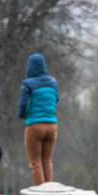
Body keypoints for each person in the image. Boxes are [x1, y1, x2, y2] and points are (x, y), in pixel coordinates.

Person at [18, 53, 59, 186]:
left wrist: (23, 115)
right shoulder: (53, 83)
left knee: (35, 163)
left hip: (35, 125)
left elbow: (23, 105)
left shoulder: (28, 84)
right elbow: (56, 100)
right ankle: (50, 192)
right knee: (47, 161)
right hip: (52, 125)